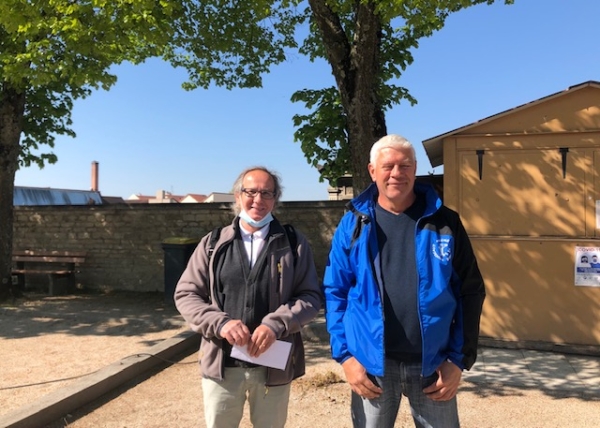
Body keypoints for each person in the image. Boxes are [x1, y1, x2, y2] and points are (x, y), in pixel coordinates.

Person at [323, 134, 486, 428]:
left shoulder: (446, 222)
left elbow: (470, 292)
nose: (396, 173)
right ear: (373, 171)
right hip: (372, 364)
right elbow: (336, 291)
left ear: (415, 169)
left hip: (433, 364)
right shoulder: (353, 224)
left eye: (405, 166)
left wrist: (459, 360)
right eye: (388, 166)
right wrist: (346, 356)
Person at [174, 166, 322, 428]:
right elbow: (187, 294)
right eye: (251, 191)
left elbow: (310, 297)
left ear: (276, 198)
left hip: (272, 368)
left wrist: (275, 325)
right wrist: (220, 323)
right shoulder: (213, 243)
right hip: (222, 365)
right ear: (237, 195)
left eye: (266, 193)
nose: (258, 200)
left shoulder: (293, 243)